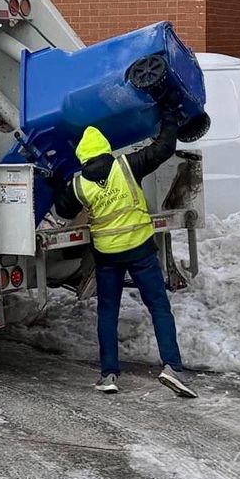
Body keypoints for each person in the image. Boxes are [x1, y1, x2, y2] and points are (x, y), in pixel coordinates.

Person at [50, 107, 197, 399]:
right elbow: (164, 148)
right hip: (141, 251)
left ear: (83, 156)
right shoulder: (127, 166)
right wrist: (170, 116)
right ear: (106, 148)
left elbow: (62, 210)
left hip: (108, 258)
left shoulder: (80, 186)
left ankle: (108, 375)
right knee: (158, 307)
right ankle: (172, 367)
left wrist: (55, 178)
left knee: (108, 313)